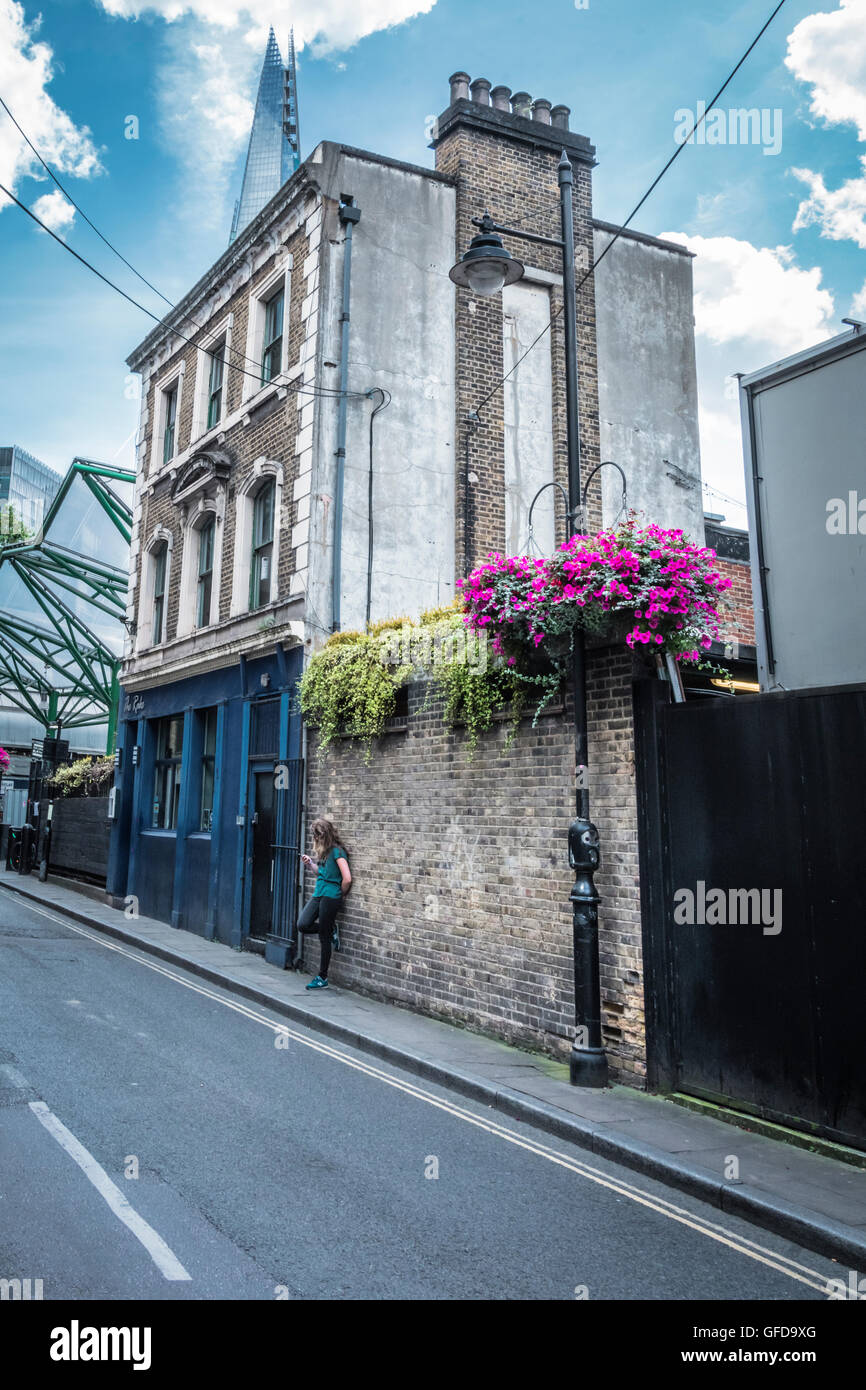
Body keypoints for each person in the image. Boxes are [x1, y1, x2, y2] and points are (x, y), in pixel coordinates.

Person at [297, 818, 351, 990]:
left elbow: (347, 878)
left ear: (325, 834)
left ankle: (322, 977)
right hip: (319, 893)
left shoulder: (337, 852)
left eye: (317, 835)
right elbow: (321, 872)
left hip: (331, 896)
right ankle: (331, 929)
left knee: (323, 937)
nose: (315, 838)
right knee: (303, 924)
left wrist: (340, 894)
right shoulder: (324, 852)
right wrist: (310, 864)